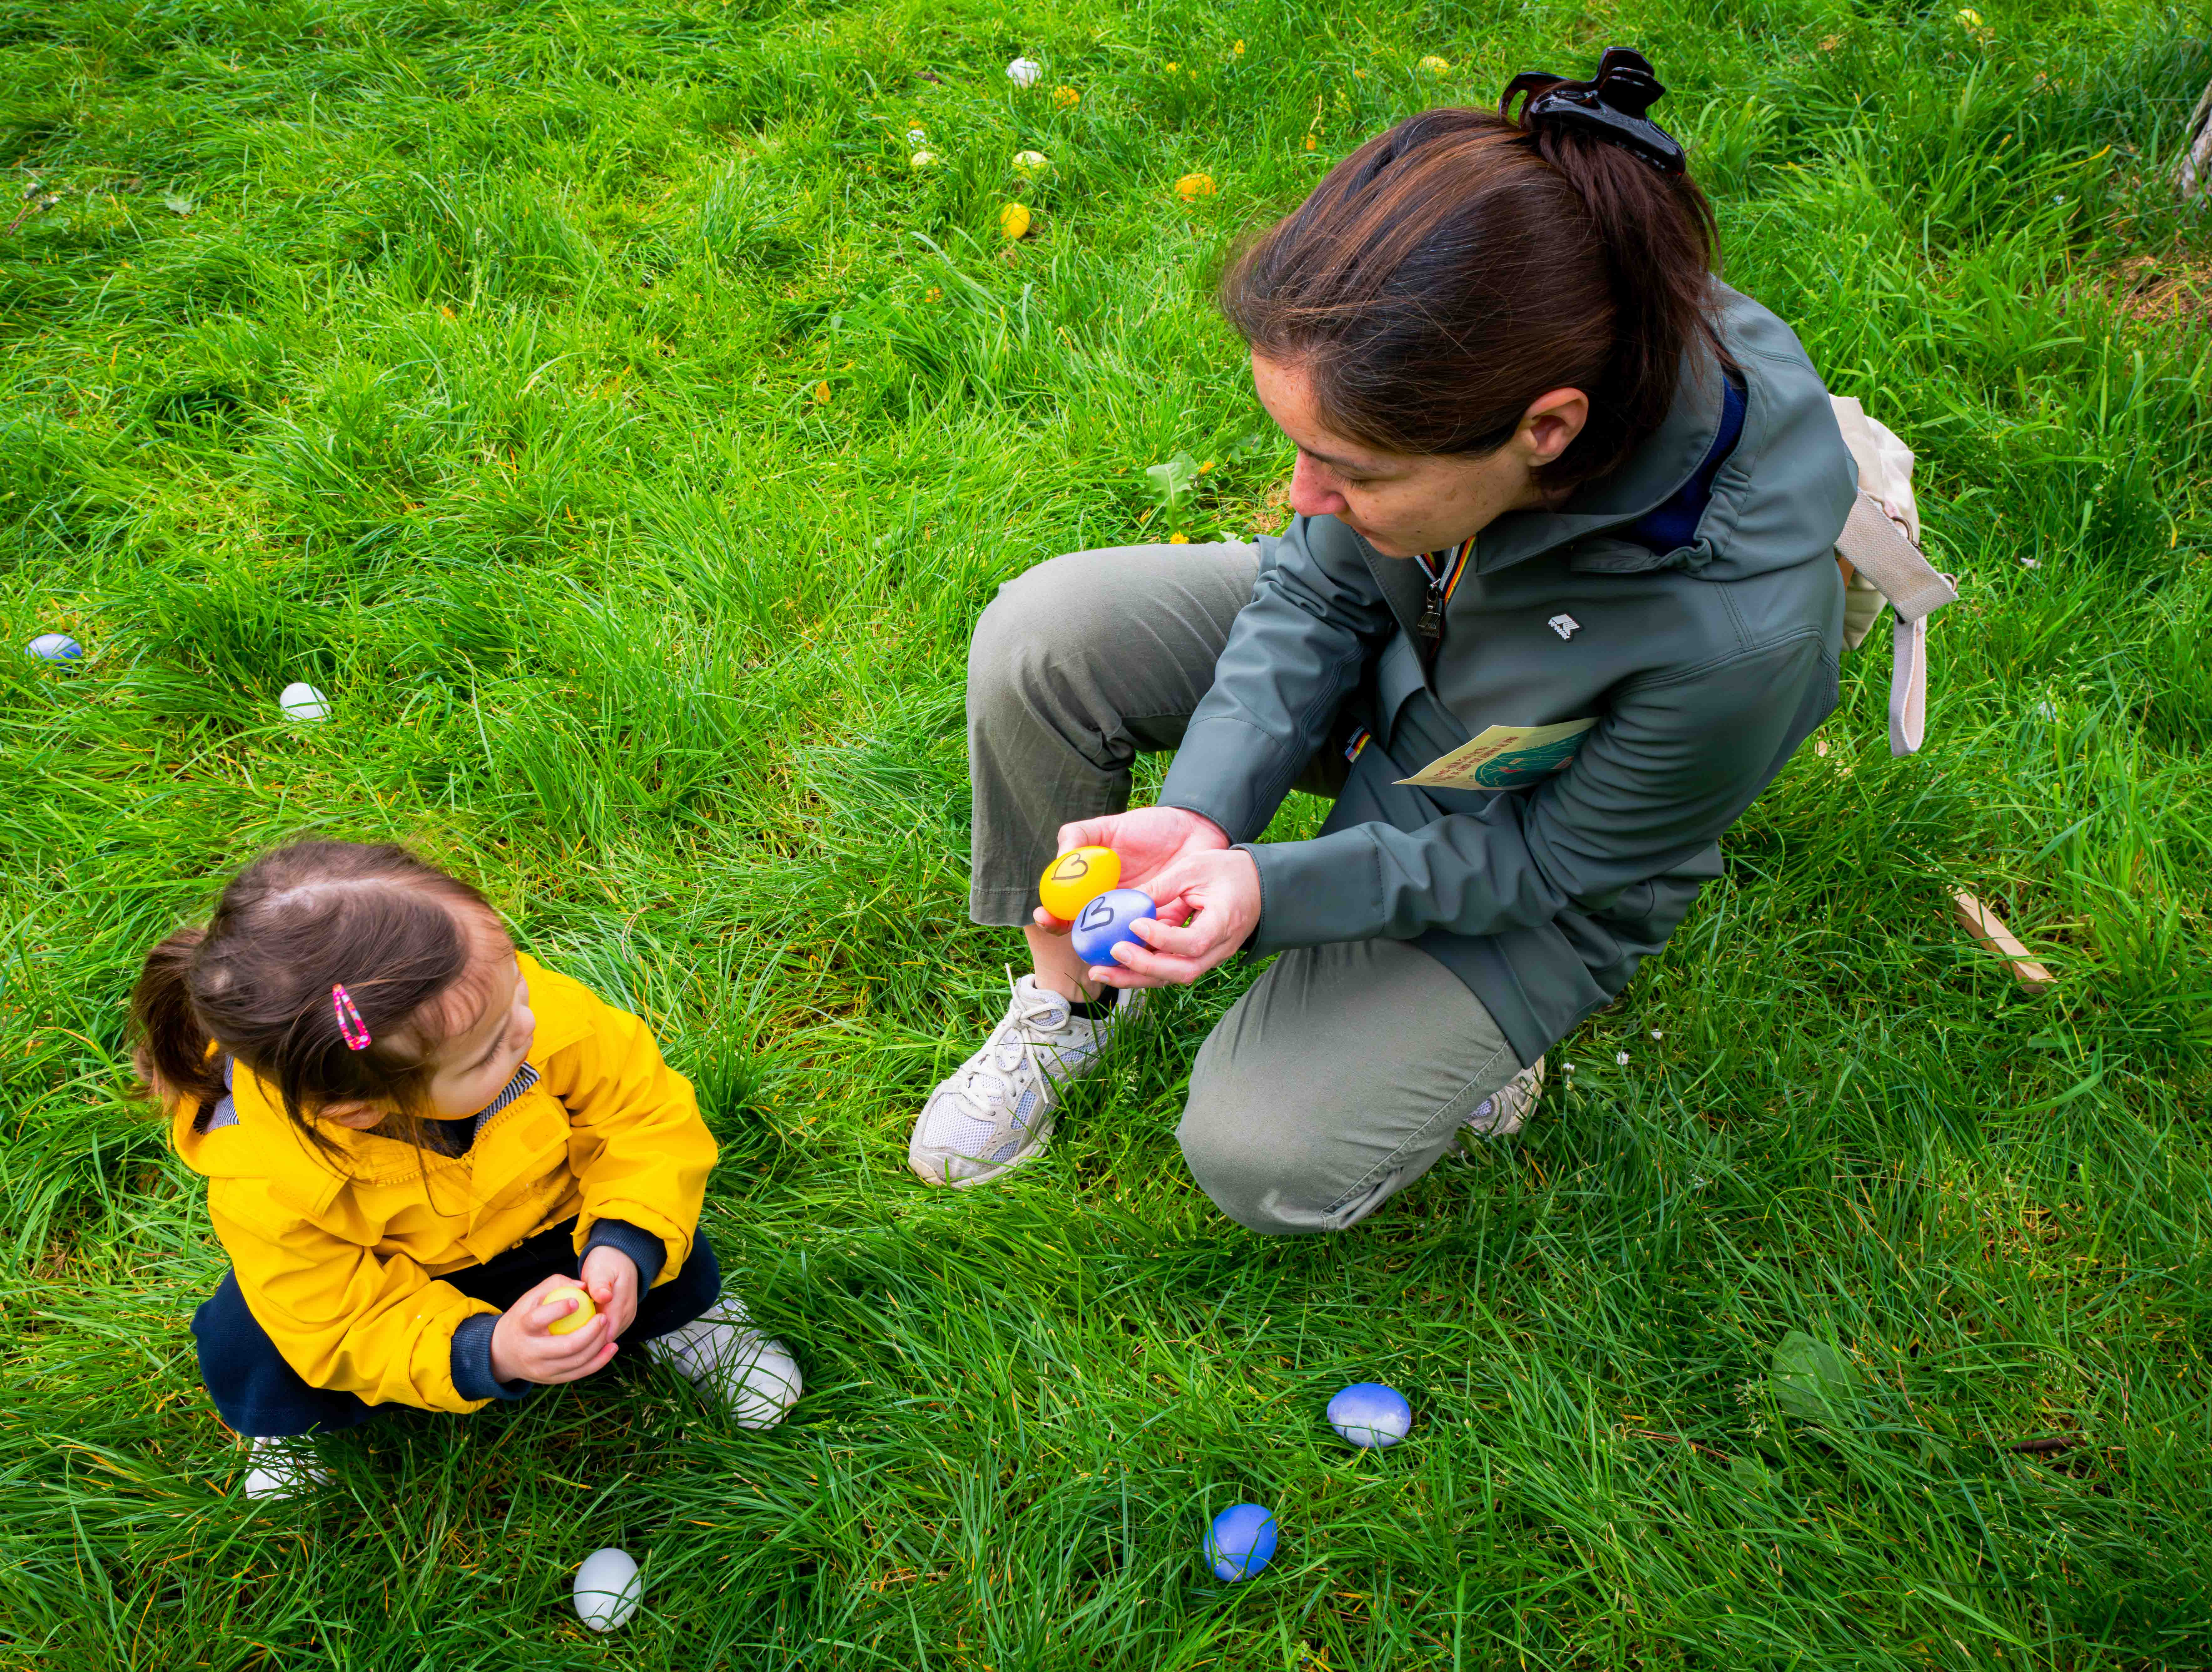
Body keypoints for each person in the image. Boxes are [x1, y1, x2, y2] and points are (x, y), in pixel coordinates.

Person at [908, 50, 1857, 1231]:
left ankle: (1482, 1049)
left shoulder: (1735, 636)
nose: (1299, 495)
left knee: (1262, 1155)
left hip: (1526, 836)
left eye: (1350, 469)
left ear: (1544, 434)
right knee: (1043, 638)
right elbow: (1313, 595)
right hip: (1403, 668)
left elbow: (1551, 863)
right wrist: (1203, 815)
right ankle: (1073, 1003)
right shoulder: (1504, 339)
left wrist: (1266, 888)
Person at [132, 839, 801, 1497]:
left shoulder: (495, 1010)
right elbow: (343, 1320)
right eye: (488, 1052)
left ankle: (685, 1320)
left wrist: (626, 1243)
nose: (527, 1026)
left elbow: (643, 1120)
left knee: (658, 1235)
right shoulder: (268, 1176)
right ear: (359, 1110)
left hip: (551, 1217)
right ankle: (290, 1431)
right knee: (251, 1343)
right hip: (397, 1283)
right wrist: (488, 1349)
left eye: (516, 986)